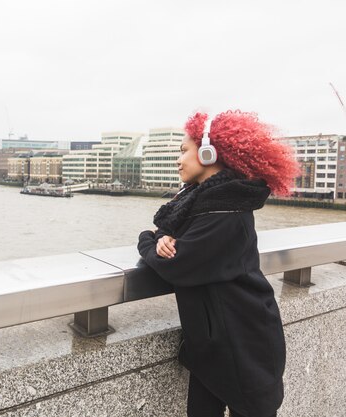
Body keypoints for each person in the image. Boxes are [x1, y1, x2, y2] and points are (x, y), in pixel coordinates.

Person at [137, 110, 299, 417]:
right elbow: (171, 236)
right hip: (217, 341)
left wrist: (147, 239)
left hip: (243, 344)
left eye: (184, 151)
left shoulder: (225, 214)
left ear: (209, 152)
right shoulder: (206, 204)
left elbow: (175, 264)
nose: (178, 159)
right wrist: (161, 237)